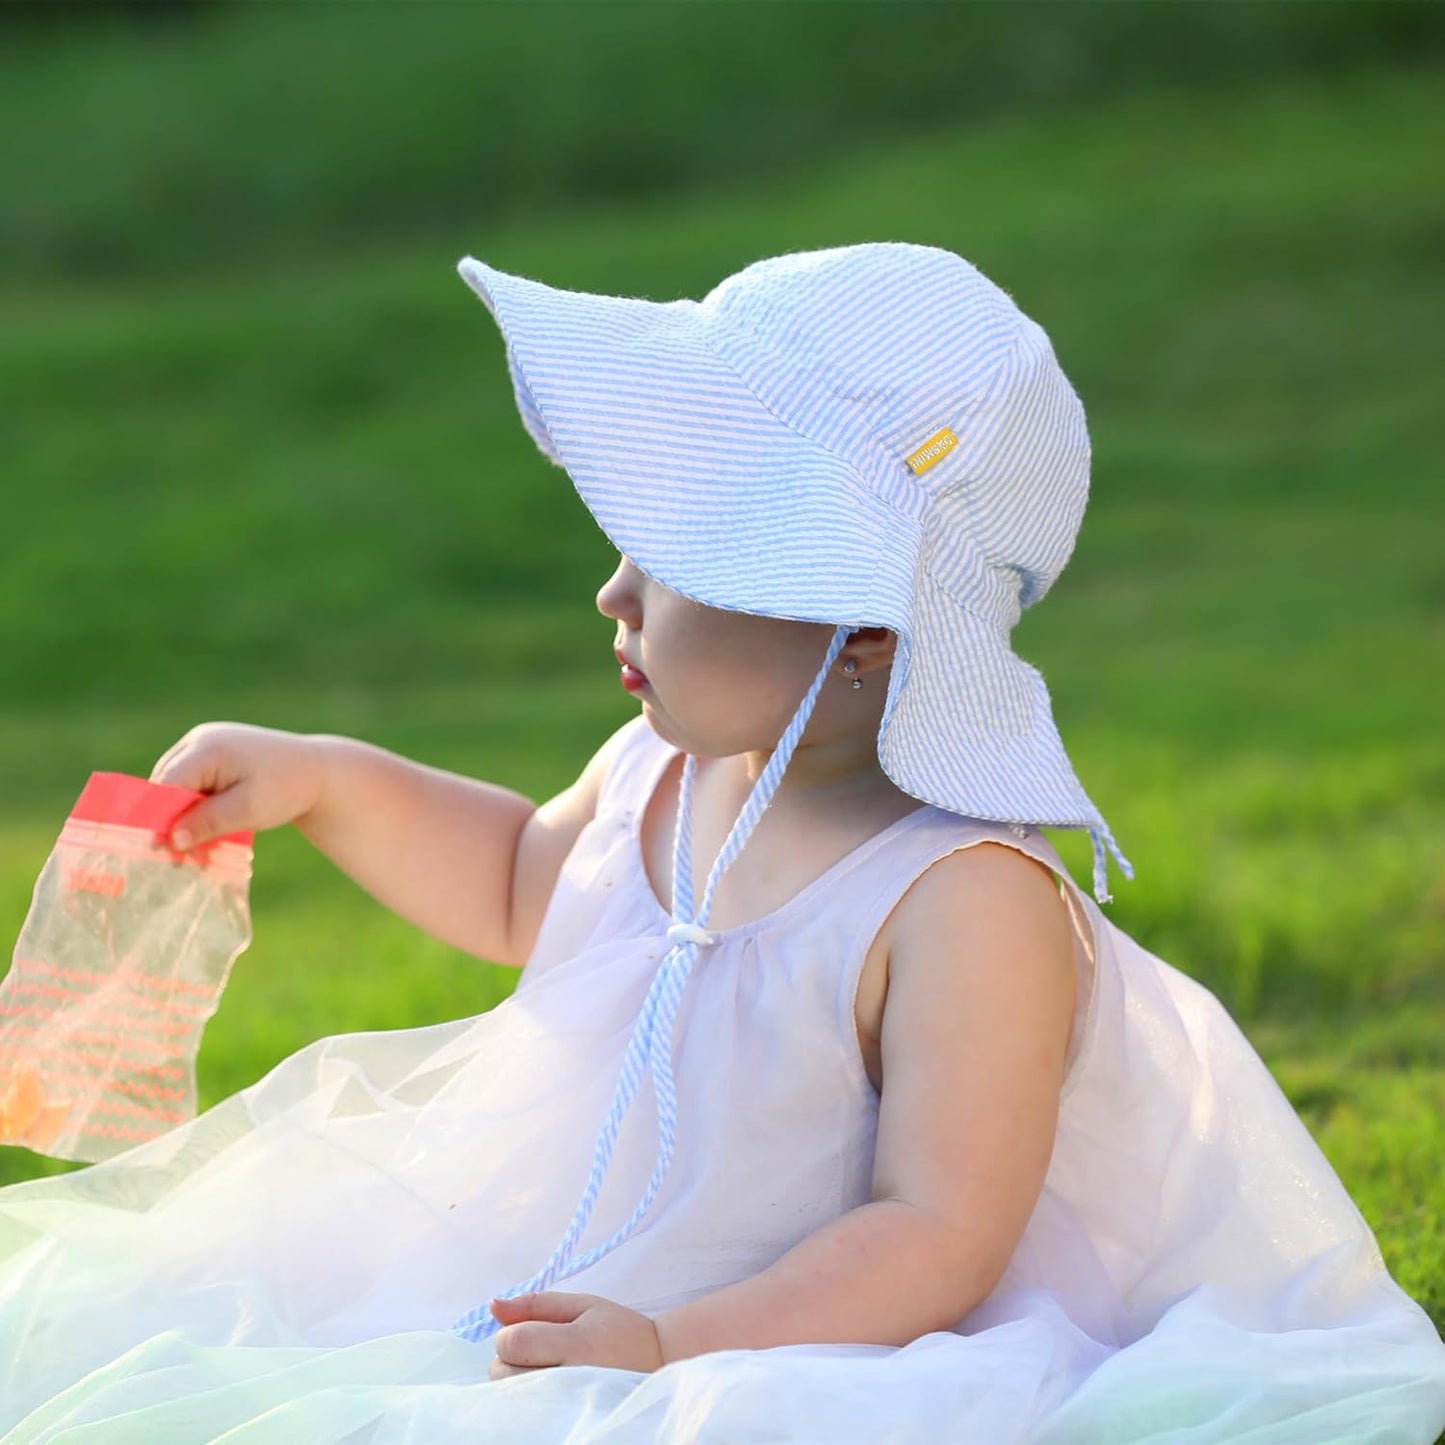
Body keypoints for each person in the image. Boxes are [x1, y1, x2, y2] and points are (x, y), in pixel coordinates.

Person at [1, 242, 1442, 1442]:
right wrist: (326, 782)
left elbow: (941, 1231)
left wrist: (673, 1345)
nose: (613, 592)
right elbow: (521, 881)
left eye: (681, 560)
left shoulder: (960, 896)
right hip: (580, 1264)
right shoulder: (670, 767)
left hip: (815, 1333)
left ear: (866, 633)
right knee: (218, 1332)